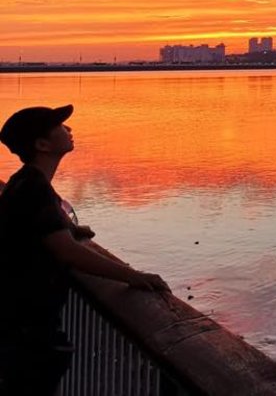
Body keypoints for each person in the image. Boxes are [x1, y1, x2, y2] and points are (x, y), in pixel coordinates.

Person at [0, 104, 170, 396]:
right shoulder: (34, 188)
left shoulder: (27, 182)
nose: (69, 129)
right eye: (60, 126)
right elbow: (67, 251)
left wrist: (70, 226)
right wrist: (132, 276)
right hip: (25, 327)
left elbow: (50, 219)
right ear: (42, 144)